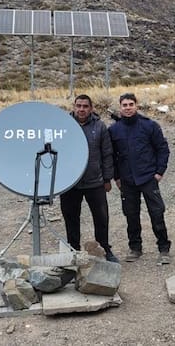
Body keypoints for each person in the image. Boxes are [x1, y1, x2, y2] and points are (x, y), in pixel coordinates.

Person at [108, 92, 172, 265]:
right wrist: (116, 177)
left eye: (131, 104)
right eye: (125, 105)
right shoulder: (114, 130)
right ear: (120, 107)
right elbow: (111, 156)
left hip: (148, 177)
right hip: (127, 180)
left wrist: (159, 172)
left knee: (157, 213)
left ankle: (164, 248)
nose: (128, 108)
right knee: (131, 215)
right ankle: (135, 248)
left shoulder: (149, 126)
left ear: (136, 105)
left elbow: (162, 149)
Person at [59, 95, 118, 263]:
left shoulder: (99, 127)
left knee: (101, 218)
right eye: (78, 106)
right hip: (70, 183)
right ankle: (74, 251)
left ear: (91, 108)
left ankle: (104, 249)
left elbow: (107, 154)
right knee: (71, 218)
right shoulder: (64, 126)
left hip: (94, 181)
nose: (81, 109)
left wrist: (107, 178)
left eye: (85, 106)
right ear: (74, 107)